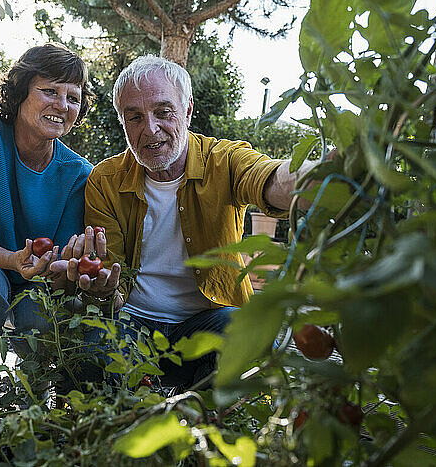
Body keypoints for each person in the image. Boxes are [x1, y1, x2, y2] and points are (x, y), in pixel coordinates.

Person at [52, 55, 313, 389]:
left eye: (163, 112)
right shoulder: (106, 180)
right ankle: (96, 434)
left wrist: (317, 177)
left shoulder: (224, 160)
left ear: (188, 110)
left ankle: (204, 428)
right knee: (85, 346)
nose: (150, 129)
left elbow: (269, 178)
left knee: (248, 335)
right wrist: (102, 292)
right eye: (134, 117)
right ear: (123, 122)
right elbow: (111, 284)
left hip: (208, 322)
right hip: (132, 323)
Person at [0, 44, 119, 390]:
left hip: (37, 286)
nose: (62, 106)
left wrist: (72, 266)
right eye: (49, 91)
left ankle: (38, 409)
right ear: (20, 92)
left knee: (53, 315)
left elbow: (57, 274)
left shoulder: (78, 173)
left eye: (73, 98)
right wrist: (12, 260)